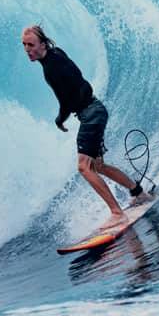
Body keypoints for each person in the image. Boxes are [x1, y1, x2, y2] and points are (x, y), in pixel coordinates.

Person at [21, 24, 149, 224]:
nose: (27, 50)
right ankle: (138, 193)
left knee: (83, 167)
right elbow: (74, 85)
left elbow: (67, 97)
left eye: (31, 44)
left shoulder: (52, 68)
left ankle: (117, 212)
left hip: (91, 114)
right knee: (98, 165)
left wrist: (60, 119)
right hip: (94, 110)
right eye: (24, 45)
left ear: (43, 44)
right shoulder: (55, 54)